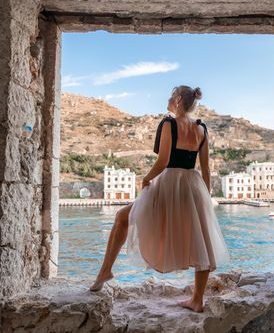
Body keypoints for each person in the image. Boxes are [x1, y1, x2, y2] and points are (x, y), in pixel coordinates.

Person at [89, 85, 230, 312]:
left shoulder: (169, 123)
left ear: (177, 100)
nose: (167, 99)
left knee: (122, 217)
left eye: (170, 96)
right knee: (201, 238)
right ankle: (197, 300)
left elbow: (164, 161)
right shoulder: (201, 128)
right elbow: (206, 169)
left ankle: (105, 270)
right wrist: (205, 196)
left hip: (168, 184)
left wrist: (146, 178)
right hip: (194, 187)